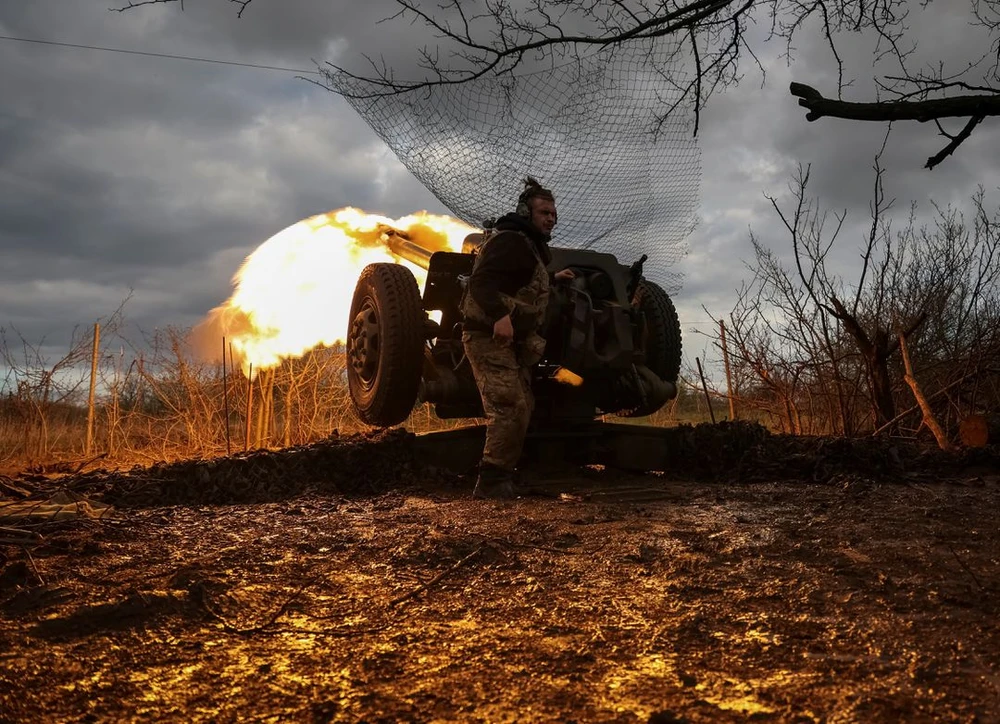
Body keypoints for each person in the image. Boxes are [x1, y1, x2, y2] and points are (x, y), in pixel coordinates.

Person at [460, 177, 575, 499]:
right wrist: (500, 316)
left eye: (553, 213)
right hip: (488, 337)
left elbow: (519, 282)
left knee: (522, 406)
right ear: (527, 213)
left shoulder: (528, 246)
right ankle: (491, 483)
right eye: (544, 212)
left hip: (512, 345)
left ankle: (504, 476)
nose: (551, 218)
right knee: (508, 406)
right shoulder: (510, 241)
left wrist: (553, 278)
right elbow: (481, 283)